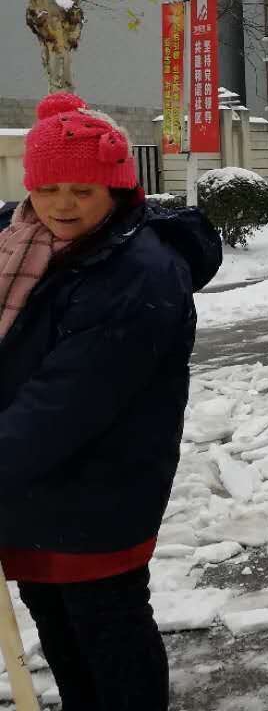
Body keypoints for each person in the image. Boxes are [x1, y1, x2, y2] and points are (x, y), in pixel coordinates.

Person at [0, 93, 222, 710]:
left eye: (82, 190)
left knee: (109, 633)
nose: (62, 206)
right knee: (59, 628)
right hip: (31, 487)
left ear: (118, 191)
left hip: (99, 488)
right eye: (49, 189)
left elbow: (69, 398)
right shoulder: (19, 243)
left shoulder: (138, 270)